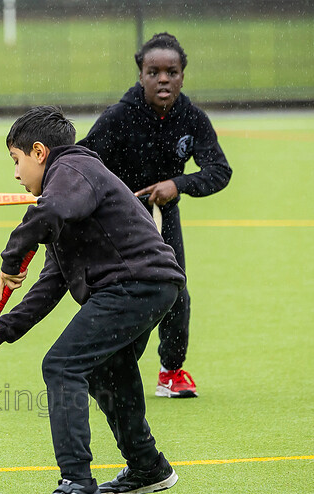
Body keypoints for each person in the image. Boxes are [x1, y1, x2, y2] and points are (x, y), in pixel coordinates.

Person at [0, 106, 186, 494]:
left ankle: (77, 487)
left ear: (39, 151)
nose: (16, 175)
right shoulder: (68, 194)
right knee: (106, 368)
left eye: (16, 161)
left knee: (62, 365)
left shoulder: (72, 168)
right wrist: (3, 330)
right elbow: (54, 281)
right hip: (151, 286)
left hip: (137, 284)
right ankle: (147, 467)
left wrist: (12, 258)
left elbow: (45, 213)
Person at [78, 32, 232, 399]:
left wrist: (177, 184)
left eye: (172, 71)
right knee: (117, 292)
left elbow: (219, 170)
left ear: (182, 75)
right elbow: (82, 159)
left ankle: (171, 372)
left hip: (163, 217)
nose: (164, 79)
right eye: (154, 72)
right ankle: (102, 367)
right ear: (141, 75)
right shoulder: (118, 117)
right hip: (116, 219)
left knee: (174, 291)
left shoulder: (192, 119)